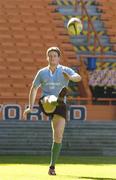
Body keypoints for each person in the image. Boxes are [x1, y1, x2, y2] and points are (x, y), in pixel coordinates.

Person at [23, 47, 82, 175]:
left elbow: (78, 77)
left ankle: (52, 167)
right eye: (50, 56)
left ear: (59, 58)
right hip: (46, 101)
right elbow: (34, 89)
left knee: (58, 136)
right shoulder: (42, 72)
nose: (52, 58)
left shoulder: (65, 70)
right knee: (51, 98)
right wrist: (30, 107)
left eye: (54, 55)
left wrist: (71, 78)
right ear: (47, 58)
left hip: (60, 106)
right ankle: (57, 98)